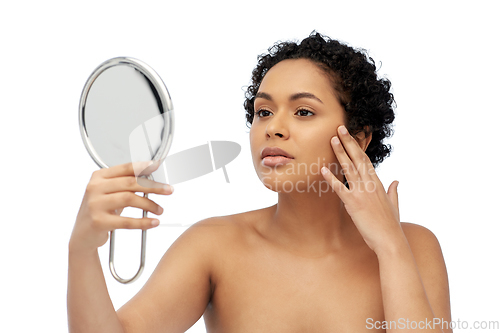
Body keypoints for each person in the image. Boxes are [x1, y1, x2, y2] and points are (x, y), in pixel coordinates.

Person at [67, 32, 452, 332]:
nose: (273, 129)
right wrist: (82, 249)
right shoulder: (214, 246)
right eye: (263, 111)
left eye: (303, 111)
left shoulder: (414, 248)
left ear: (361, 137)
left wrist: (389, 246)